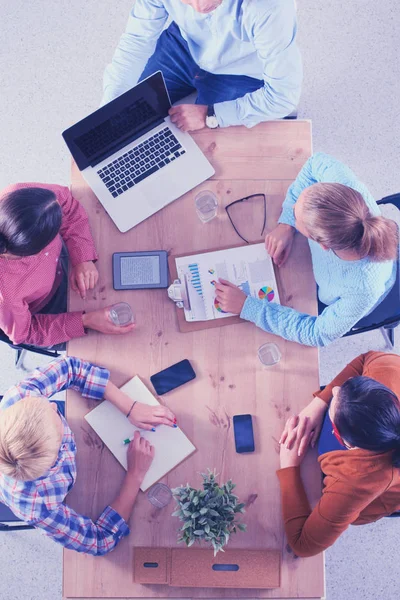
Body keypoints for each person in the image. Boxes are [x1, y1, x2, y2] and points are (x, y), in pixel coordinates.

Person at [215, 152, 398, 346]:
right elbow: (313, 164)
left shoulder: (363, 288)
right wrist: (287, 224)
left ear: (322, 244)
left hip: (341, 301)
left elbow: (316, 334)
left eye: (295, 217)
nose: (292, 208)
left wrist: (247, 306)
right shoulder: (347, 190)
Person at [0, 356, 177, 555]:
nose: (53, 405)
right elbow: (100, 541)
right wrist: (135, 475)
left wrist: (130, 406)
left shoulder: (19, 398)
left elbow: (69, 367)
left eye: (45, 404)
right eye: (56, 420)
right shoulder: (37, 506)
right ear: (54, 458)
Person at [102, 0, 302, 130]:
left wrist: (212, 115)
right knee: (127, 110)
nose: (198, 6)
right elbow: (136, 41)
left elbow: (283, 96)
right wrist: (109, 106)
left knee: (211, 156)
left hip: (243, 71)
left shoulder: (272, 6)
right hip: (182, 45)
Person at [277, 351, 400, 558]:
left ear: (347, 444)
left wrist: (288, 467)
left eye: (333, 422)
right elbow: (366, 358)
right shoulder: (389, 369)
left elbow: (302, 545)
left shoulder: (357, 481)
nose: (333, 389)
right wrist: (319, 404)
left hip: (375, 496)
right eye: (342, 389)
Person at [0, 183, 135, 348]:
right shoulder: (7, 294)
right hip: (46, 312)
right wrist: (86, 321)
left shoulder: (18, 198)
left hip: (63, 265)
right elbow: (26, 333)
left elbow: (66, 204)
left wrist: (82, 257)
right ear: (34, 252)